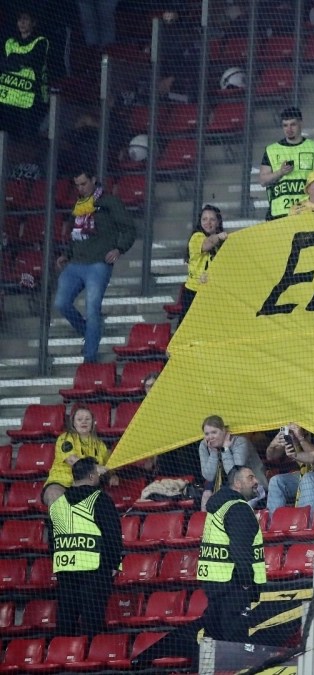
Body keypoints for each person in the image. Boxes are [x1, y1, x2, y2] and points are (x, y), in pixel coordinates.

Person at [54, 169, 137, 364]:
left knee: (92, 309)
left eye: (83, 184)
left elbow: (129, 228)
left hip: (98, 264)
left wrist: (119, 248)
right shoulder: (79, 204)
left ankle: (89, 357)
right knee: (61, 303)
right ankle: (90, 332)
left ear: (93, 180)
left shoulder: (110, 202)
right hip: (76, 263)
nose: (80, 188)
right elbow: (76, 235)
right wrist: (67, 254)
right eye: (77, 185)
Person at [49, 456, 122, 636]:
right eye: (97, 472)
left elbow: (52, 539)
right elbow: (112, 534)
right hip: (95, 570)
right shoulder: (100, 499)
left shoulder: (58, 503)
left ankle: (64, 652)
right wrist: (114, 564)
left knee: (66, 621)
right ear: (91, 477)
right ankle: (89, 652)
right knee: (92, 623)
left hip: (66, 570)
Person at [197, 465, 267, 640]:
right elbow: (240, 550)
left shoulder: (218, 507)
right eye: (250, 477)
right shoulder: (239, 508)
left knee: (215, 641)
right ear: (237, 483)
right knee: (235, 644)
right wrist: (247, 583)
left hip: (215, 584)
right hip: (234, 587)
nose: (256, 481)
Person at [259, 107, 314, 220]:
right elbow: (263, 181)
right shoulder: (271, 150)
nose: (289, 129)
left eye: (293, 124)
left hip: (307, 211)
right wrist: (280, 172)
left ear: (301, 124)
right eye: (285, 125)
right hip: (278, 213)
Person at [43, 406, 109, 507]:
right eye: (79, 419)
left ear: (93, 422)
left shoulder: (100, 445)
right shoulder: (65, 438)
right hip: (61, 483)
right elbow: (71, 460)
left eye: (87, 419)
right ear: (73, 423)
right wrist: (95, 467)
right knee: (54, 494)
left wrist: (112, 475)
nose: (84, 422)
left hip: (86, 485)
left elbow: (107, 465)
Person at [197, 415, 267, 509]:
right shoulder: (204, 445)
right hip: (227, 485)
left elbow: (234, 473)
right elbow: (209, 476)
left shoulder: (240, 442)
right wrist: (213, 453)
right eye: (207, 434)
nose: (210, 437)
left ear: (224, 431)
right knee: (206, 495)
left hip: (252, 484)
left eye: (214, 432)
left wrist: (225, 449)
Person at [0, 11, 49, 138]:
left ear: (34, 23)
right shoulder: (10, 41)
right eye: (19, 19)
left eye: (25, 19)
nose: (21, 22)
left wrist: (12, 60)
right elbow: (3, 62)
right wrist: (18, 63)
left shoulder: (41, 41)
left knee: (27, 136)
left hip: (30, 96)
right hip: (9, 95)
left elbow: (31, 61)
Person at [180, 205, 226, 320]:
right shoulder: (196, 237)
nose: (208, 223)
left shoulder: (222, 243)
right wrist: (219, 236)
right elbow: (207, 244)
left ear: (218, 222)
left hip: (212, 292)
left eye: (212, 219)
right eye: (204, 219)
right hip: (193, 292)